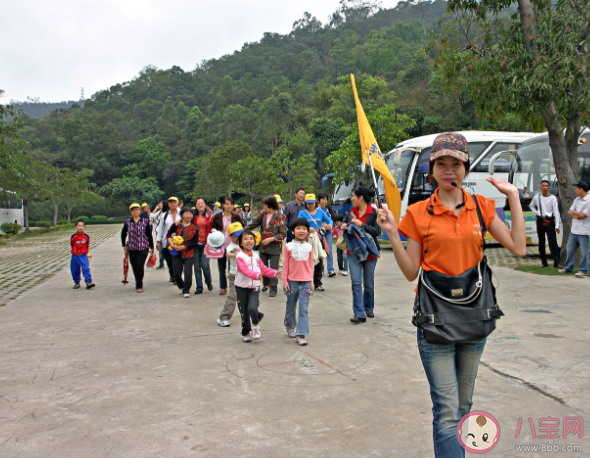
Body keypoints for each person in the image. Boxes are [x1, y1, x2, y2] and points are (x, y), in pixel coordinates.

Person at [377, 132, 526, 457]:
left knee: (463, 403)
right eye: (441, 163)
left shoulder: (481, 207)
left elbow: (518, 247)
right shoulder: (417, 213)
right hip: (435, 322)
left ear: (465, 167)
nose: (449, 170)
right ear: (431, 169)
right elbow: (410, 271)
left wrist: (513, 197)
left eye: (455, 164)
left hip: (475, 318)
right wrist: (392, 233)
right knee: (446, 409)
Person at [340, 187, 381, 322]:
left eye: (353, 196)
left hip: (370, 252)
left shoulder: (373, 212)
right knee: (356, 283)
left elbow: (377, 231)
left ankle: (368, 308)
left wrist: (361, 224)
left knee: (368, 284)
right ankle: (359, 313)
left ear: (361, 198)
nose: (351, 199)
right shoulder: (352, 212)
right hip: (354, 252)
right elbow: (342, 224)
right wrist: (344, 226)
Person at [234, 230, 281, 342]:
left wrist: (274, 273)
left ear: (255, 242)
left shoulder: (256, 256)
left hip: (254, 287)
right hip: (241, 286)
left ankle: (255, 324)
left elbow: (263, 269)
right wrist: (256, 275)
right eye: (245, 239)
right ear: (240, 243)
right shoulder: (239, 256)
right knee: (243, 311)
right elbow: (244, 270)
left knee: (252, 308)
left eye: (251, 238)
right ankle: (246, 332)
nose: (249, 241)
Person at [246, 195, 287, 297]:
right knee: (262, 267)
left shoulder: (280, 216)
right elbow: (254, 224)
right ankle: (266, 284)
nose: (263, 207)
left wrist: (271, 239)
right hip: (263, 247)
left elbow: (283, 234)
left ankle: (273, 288)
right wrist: (241, 230)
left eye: (265, 205)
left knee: (273, 269)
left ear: (270, 205)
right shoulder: (263, 214)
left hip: (275, 248)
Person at [283, 218, 314, 346]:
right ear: (293, 231)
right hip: (292, 282)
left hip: (306, 282)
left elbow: (311, 265)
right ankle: (290, 326)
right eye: (298, 228)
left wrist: (311, 281)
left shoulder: (309, 247)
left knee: (303, 309)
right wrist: (285, 281)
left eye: (304, 229)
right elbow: (285, 265)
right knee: (290, 306)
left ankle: (301, 334)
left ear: (308, 232)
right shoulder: (288, 246)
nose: (301, 231)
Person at [298, 193, 333, 292]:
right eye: (308, 203)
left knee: (319, 260)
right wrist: (307, 228)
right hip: (306, 240)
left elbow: (330, 221)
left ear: (315, 203)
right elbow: (298, 224)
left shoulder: (320, 212)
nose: (310, 205)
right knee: (305, 261)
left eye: (312, 203)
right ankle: (305, 282)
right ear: (306, 203)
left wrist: (329, 225)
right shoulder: (302, 213)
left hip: (318, 239)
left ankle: (317, 283)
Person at [166, 207, 199, 298]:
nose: (189, 216)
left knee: (188, 272)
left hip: (189, 252)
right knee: (176, 272)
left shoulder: (194, 228)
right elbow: (168, 235)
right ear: (182, 215)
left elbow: (195, 241)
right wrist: (172, 244)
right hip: (176, 252)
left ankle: (186, 290)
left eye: (190, 214)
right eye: (186, 213)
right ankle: (181, 285)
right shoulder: (176, 225)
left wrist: (184, 246)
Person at [559, 181, 590, 277]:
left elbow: (583, 215)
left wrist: (576, 213)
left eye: (577, 188)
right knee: (570, 249)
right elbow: (570, 212)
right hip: (574, 229)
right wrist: (577, 214)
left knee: (584, 252)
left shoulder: (588, 201)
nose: (576, 190)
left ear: (581, 189)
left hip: (584, 230)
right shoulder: (577, 200)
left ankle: (583, 269)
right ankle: (569, 267)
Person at [122, 203, 155, 293]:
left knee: (140, 265)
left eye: (137, 210)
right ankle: (138, 280)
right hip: (132, 247)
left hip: (143, 246)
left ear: (140, 211)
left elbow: (149, 234)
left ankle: (139, 284)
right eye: (133, 210)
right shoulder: (128, 222)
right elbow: (123, 233)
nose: (135, 212)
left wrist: (152, 246)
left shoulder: (145, 221)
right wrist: (124, 245)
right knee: (134, 266)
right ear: (131, 212)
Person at [212, 197, 242, 295]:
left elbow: (242, 228)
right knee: (221, 267)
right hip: (221, 245)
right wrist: (214, 232)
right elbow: (213, 227)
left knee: (232, 267)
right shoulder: (217, 216)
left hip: (233, 245)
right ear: (223, 205)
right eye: (227, 204)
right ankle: (223, 287)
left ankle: (233, 286)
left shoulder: (236, 217)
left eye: (231, 204)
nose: (229, 206)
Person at [217, 222, 244, 327]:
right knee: (233, 296)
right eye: (236, 235)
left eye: (240, 234)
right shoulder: (231, 246)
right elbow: (227, 254)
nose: (238, 237)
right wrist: (235, 254)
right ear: (230, 236)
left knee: (247, 297)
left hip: (246, 275)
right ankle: (223, 317)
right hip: (234, 275)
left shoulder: (245, 244)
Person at [530, 180, 561, 268]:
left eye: (546, 186)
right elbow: (532, 206)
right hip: (540, 220)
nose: (544, 188)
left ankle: (557, 262)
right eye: (543, 186)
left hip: (549, 220)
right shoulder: (537, 197)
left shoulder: (553, 198)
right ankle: (544, 262)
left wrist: (557, 225)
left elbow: (556, 211)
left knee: (552, 242)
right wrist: (536, 213)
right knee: (541, 242)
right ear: (540, 187)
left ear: (549, 187)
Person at [192, 198, 214, 294]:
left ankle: (208, 282)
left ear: (205, 205)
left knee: (205, 265)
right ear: (196, 205)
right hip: (195, 244)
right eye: (198, 203)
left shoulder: (209, 216)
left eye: (202, 203)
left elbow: (214, 227)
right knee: (197, 267)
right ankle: (199, 287)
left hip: (206, 244)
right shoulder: (193, 217)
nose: (200, 205)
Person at [156, 197, 180, 283]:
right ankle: (172, 274)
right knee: (169, 260)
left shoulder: (182, 213)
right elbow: (160, 228)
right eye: (171, 202)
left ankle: (177, 276)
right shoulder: (164, 215)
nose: (173, 204)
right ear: (168, 204)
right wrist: (158, 241)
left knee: (178, 259)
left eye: (174, 202)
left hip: (180, 241)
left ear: (177, 203)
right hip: (167, 241)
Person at [70, 220, 95, 290]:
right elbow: (72, 244)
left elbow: (87, 245)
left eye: (82, 226)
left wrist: (84, 252)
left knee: (86, 268)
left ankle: (88, 282)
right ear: (76, 227)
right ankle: (77, 283)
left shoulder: (86, 236)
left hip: (83, 255)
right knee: (74, 270)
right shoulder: (73, 236)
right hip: (75, 256)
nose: (80, 227)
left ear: (84, 227)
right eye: (78, 226)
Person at [318, 191, 336, 277]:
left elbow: (332, 218)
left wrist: (330, 225)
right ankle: (321, 269)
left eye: (325, 199)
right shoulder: (316, 209)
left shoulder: (328, 208)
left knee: (329, 250)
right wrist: (322, 225)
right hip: (319, 232)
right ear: (319, 200)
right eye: (322, 199)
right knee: (320, 250)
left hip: (328, 232)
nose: (324, 201)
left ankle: (331, 269)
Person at [153, 200, 168, 269]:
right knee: (161, 249)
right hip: (159, 232)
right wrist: (156, 209)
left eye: (160, 204)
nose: (159, 204)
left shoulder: (168, 213)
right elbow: (152, 216)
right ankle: (161, 263)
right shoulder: (159, 212)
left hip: (166, 234)